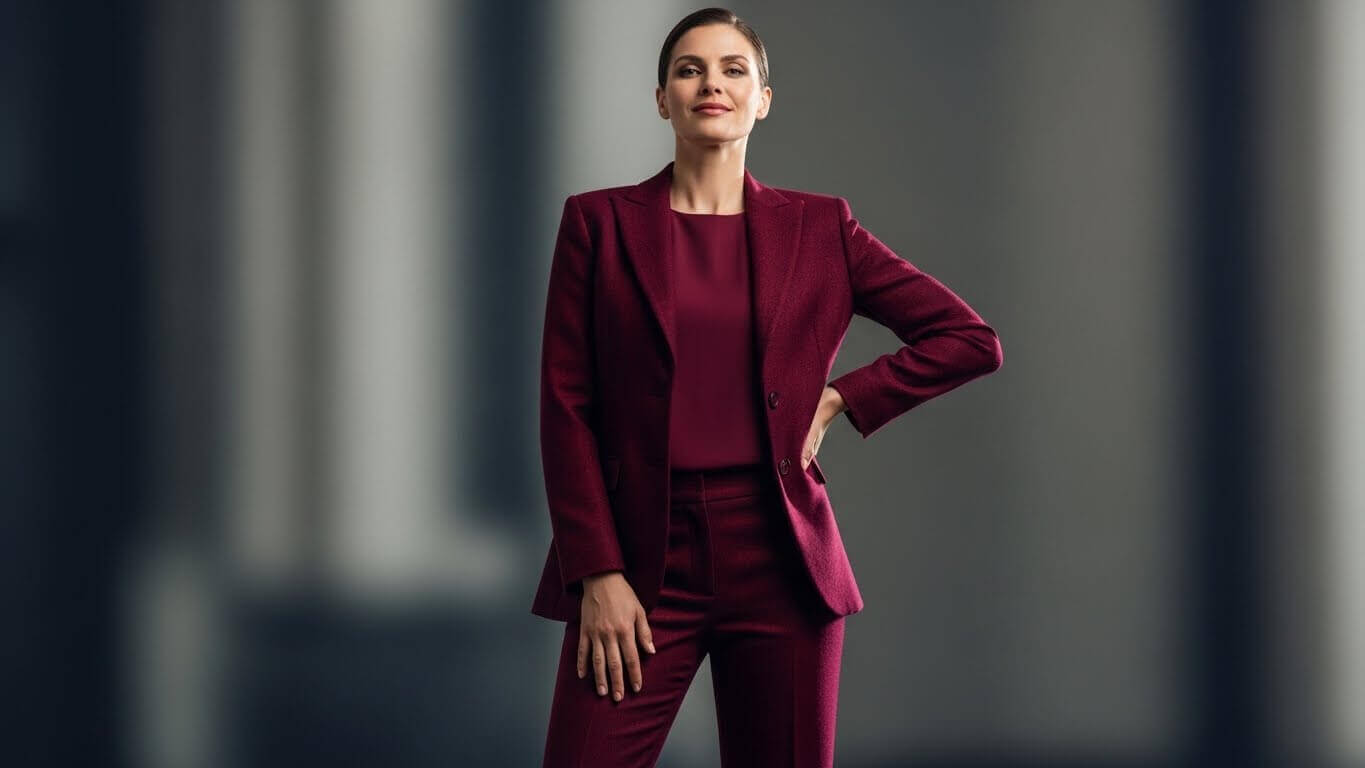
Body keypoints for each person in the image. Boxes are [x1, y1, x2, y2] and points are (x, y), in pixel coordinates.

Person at [533, 8, 1003, 767]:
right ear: (661, 100)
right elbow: (565, 405)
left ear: (762, 98)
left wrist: (841, 397)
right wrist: (598, 570)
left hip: (781, 555)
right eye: (688, 70)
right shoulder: (597, 224)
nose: (710, 83)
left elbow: (969, 341)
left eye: (731, 70)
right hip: (642, 553)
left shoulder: (821, 228)